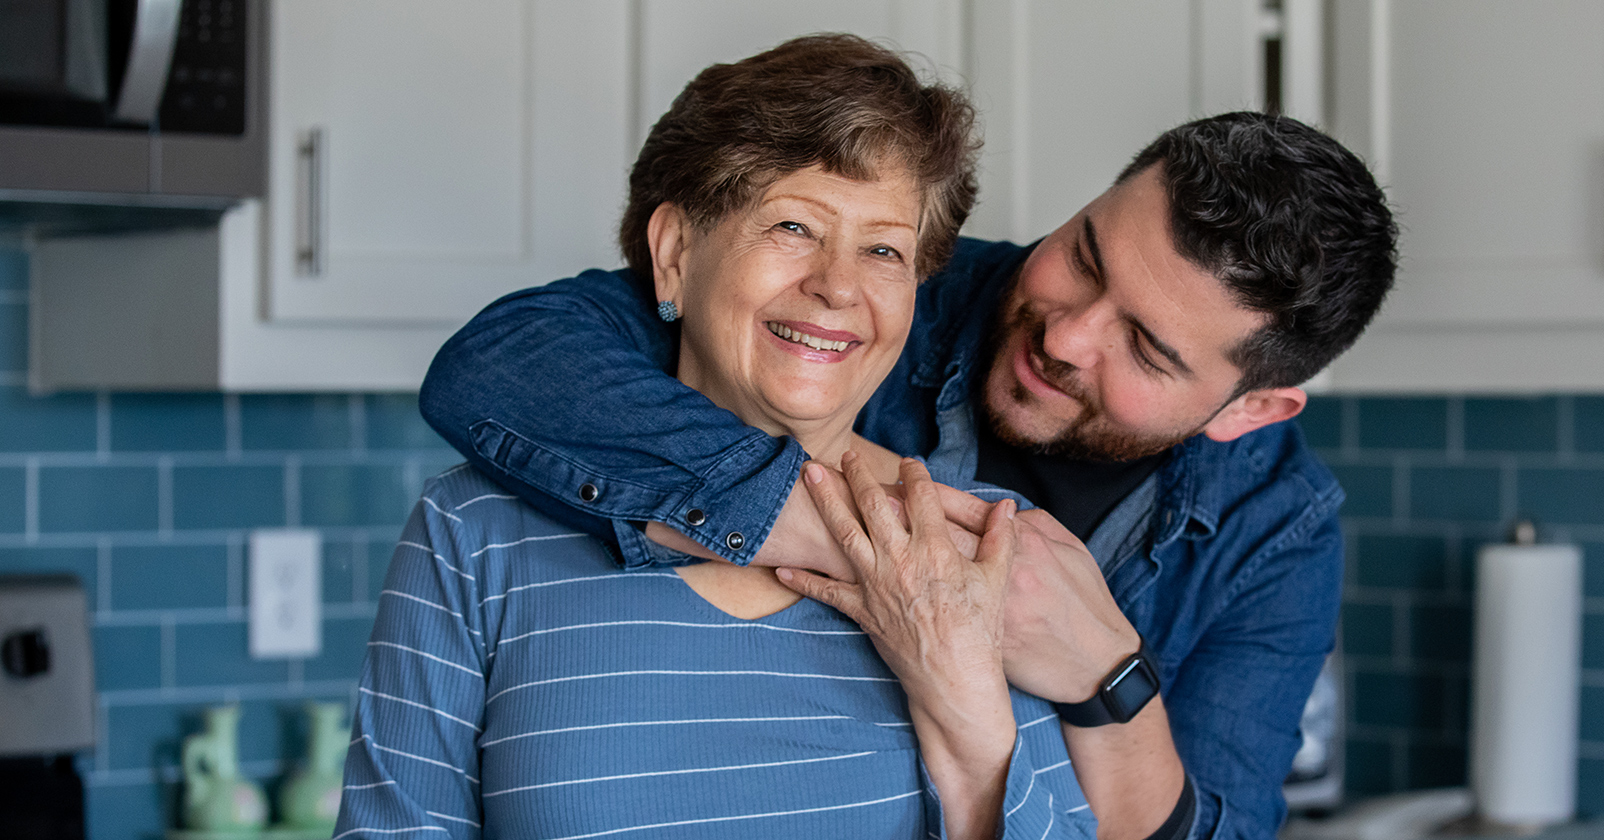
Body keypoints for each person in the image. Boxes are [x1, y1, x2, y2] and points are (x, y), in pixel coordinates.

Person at [421, 100, 1399, 840]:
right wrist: (873, 541)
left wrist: (1104, 675)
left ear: (1248, 409)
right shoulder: (889, 282)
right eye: (1085, 258)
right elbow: (502, 365)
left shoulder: (1276, 526)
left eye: (1143, 348)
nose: (1066, 335)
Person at [335, 35, 1100, 840]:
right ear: (674, 254)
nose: (838, 285)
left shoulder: (979, 545)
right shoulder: (476, 531)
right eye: (793, 227)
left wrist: (969, 719)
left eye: (883, 249)